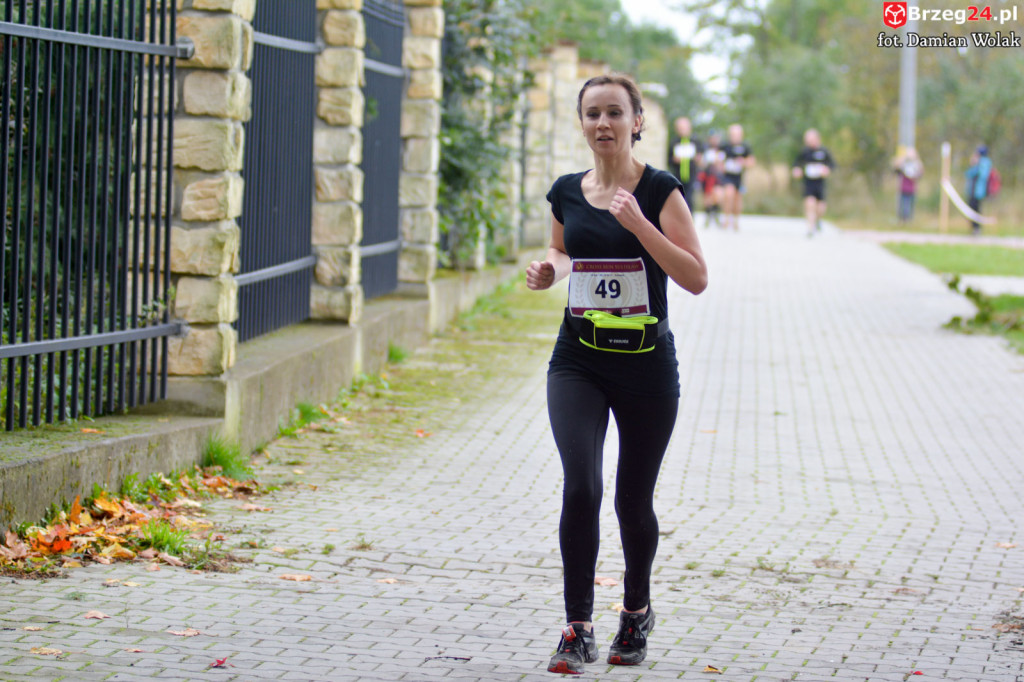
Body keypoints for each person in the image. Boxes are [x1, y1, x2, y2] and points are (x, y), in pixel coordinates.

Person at [526, 74, 708, 675]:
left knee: (633, 499)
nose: (602, 123)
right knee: (581, 485)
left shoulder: (659, 189)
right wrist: (550, 270)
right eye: (592, 113)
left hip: (646, 365)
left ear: (637, 121)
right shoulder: (566, 191)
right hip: (578, 358)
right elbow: (563, 249)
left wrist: (640, 226)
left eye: (614, 112)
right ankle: (577, 627)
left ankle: (635, 612)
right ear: (581, 123)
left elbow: (696, 277)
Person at [791, 129, 834, 237]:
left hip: (820, 183)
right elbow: (796, 164)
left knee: (821, 208)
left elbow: (832, 165)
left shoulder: (824, 151)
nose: (809, 142)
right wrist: (797, 170)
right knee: (810, 204)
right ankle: (810, 228)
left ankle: (817, 220)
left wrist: (827, 170)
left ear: (817, 139)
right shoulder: (804, 152)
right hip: (808, 183)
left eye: (811, 139)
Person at [720, 124, 755, 231]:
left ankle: (735, 220)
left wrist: (743, 162)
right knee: (728, 194)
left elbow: (751, 162)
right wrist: (722, 165)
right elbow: (719, 159)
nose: (735, 137)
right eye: (733, 135)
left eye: (737, 135)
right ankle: (726, 219)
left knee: (737, 199)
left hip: (739, 177)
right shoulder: (725, 146)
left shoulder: (745, 147)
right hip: (728, 176)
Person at [669, 116, 702, 212]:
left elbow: (701, 158)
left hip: (692, 174)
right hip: (678, 175)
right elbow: (669, 160)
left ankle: (690, 217)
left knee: (690, 197)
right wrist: (674, 160)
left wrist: (698, 159)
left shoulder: (695, 142)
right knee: (678, 198)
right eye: (680, 128)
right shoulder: (674, 142)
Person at [698, 132, 724, 228]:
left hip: (717, 176)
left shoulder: (722, 149)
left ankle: (716, 213)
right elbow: (701, 163)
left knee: (718, 195)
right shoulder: (705, 149)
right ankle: (708, 216)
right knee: (707, 197)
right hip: (707, 176)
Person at [965, 145, 992, 235]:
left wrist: (974, 164)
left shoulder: (983, 162)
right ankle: (975, 228)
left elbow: (974, 174)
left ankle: (976, 228)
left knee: (975, 209)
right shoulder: (984, 162)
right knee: (973, 209)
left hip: (977, 191)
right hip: (975, 191)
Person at [893, 148, 923, 224]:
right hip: (903, 188)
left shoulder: (916, 164)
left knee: (910, 205)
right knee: (903, 205)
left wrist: (916, 159)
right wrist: (904, 157)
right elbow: (896, 166)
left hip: (912, 189)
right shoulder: (904, 164)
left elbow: (920, 172)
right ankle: (903, 219)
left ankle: (908, 220)